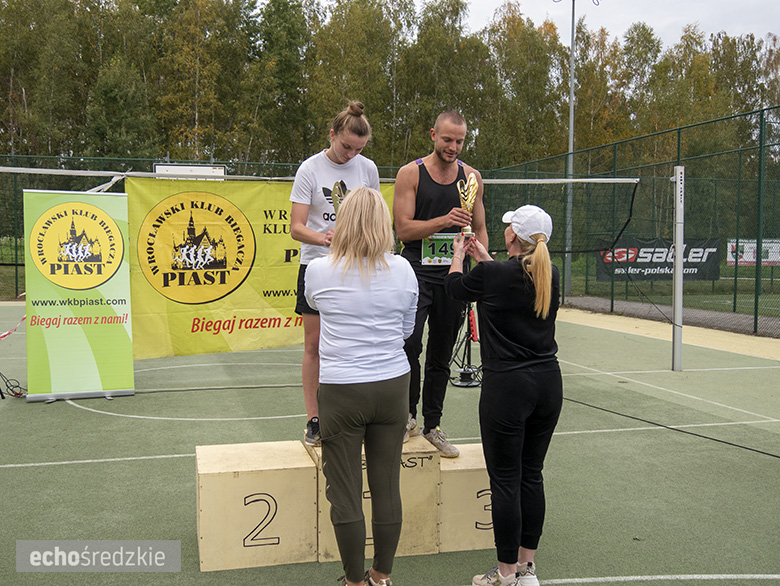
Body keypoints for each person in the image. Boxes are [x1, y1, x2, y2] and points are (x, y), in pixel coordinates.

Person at [304, 186, 418, 586]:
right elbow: (407, 330)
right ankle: (381, 575)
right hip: (392, 384)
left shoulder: (319, 269)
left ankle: (354, 580)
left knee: (345, 491)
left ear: (344, 222)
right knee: (386, 486)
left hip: (342, 389)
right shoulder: (403, 269)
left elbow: (315, 304)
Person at [444, 205, 563, 586]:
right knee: (532, 474)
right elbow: (509, 280)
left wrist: (459, 256)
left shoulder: (494, 275)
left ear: (512, 236)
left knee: (506, 480)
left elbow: (455, 289)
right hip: (548, 383)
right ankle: (527, 569)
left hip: (508, 388)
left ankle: (506, 573)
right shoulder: (549, 272)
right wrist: (485, 259)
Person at [392, 110, 488, 458]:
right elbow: (403, 229)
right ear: (433, 135)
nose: (453, 147)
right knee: (409, 344)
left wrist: (483, 268)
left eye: (460, 141)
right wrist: (444, 220)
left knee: (441, 353)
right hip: (415, 272)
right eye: (447, 139)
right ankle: (407, 417)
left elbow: (480, 228)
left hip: (453, 276)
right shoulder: (410, 173)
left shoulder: (472, 178)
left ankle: (432, 425)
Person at [290, 101, 380, 446]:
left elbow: (373, 216)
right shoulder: (310, 169)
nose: (351, 155)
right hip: (318, 267)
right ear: (332, 135)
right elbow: (297, 228)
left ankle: (357, 415)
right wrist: (326, 239)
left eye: (359, 149)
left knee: (356, 343)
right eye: (346, 147)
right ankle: (314, 419)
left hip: (358, 269)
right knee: (314, 346)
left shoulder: (367, 169)